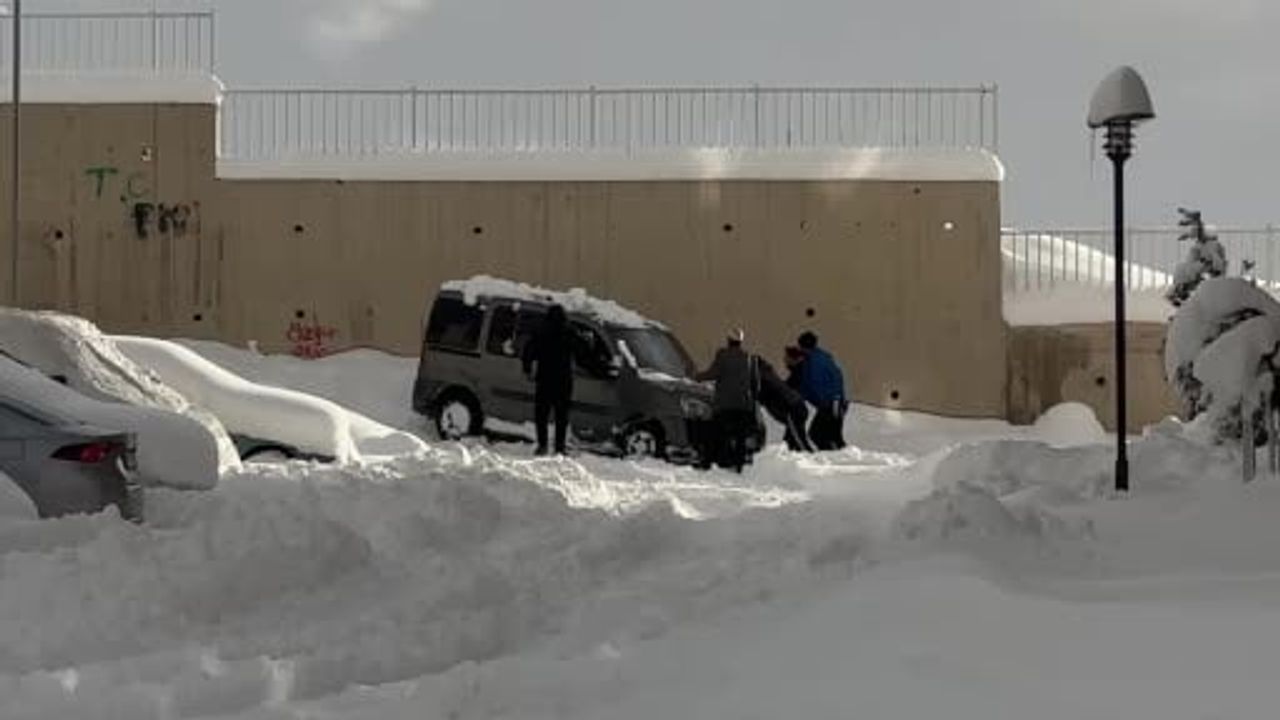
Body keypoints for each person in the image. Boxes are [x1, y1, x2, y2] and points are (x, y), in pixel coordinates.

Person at [696, 328, 759, 472]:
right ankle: (739, 464)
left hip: (725, 404)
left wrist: (697, 377)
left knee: (718, 432)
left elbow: (713, 373)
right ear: (741, 341)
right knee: (740, 436)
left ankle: (717, 461)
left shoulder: (722, 355)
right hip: (744, 405)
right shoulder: (749, 357)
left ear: (728, 340)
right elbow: (755, 382)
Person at [522, 304, 575, 456]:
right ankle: (559, 447)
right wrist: (600, 367)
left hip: (545, 380)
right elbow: (582, 353)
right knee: (561, 416)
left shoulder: (541, 333)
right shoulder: (569, 333)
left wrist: (527, 369)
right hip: (564, 381)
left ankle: (542, 445)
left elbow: (528, 351)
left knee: (542, 415)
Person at [795, 331, 849, 451]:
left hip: (832, 403)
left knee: (820, 435)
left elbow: (813, 384)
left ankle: (836, 456)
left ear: (803, 346)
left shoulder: (816, 360)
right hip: (832, 403)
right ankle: (837, 455)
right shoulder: (817, 358)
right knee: (828, 436)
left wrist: (835, 400)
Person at [756, 355, 814, 452]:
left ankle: (813, 462)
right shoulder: (769, 375)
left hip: (793, 411)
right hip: (797, 408)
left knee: (800, 443)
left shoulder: (764, 380)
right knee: (789, 444)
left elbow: (763, 396)